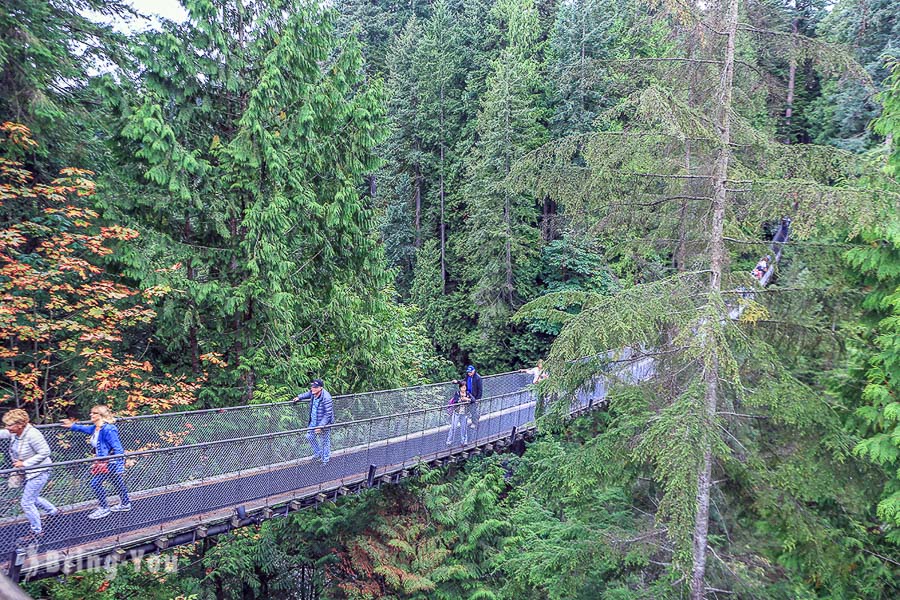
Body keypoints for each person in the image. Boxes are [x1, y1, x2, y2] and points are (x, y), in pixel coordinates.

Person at [61, 405, 131, 519]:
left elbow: (118, 448)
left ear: (101, 415)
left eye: (94, 413)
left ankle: (104, 508)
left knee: (95, 483)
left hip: (110, 462)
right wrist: (71, 426)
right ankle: (125, 503)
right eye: (91, 412)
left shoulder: (109, 429)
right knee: (117, 482)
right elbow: (83, 428)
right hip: (104, 462)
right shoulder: (95, 428)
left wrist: (119, 466)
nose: (91, 415)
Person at [1, 409, 58, 543]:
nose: (7, 427)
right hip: (28, 471)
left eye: (10, 425)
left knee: (26, 503)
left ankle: (37, 531)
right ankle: (54, 512)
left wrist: (25, 463)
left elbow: (45, 452)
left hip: (39, 470)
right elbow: (3, 433)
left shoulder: (33, 434)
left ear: (20, 424)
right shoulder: (16, 433)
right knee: (32, 497)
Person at [294, 379, 334, 464]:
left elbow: (328, 414)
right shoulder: (313, 393)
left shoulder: (326, 397)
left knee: (325, 442)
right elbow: (308, 393)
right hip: (314, 421)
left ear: (321, 388)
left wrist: (320, 426)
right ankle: (318, 453)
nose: (313, 388)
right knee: (309, 436)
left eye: (315, 387)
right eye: (312, 387)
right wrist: (299, 397)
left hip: (324, 423)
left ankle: (325, 461)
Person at [446, 381, 469, 446]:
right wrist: (462, 399)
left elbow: (473, 400)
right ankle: (449, 441)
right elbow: (455, 401)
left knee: (464, 428)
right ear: (460, 388)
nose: (463, 389)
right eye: (462, 387)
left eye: (465, 387)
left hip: (464, 413)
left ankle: (464, 441)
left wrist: (467, 399)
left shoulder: (468, 393)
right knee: (453, 427)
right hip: (456, 413)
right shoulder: (457, 393)